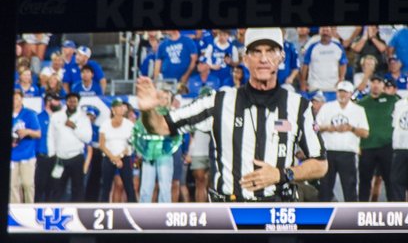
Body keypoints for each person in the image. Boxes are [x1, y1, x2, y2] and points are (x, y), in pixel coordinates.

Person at [135, 28, 326, 202]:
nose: (263, 59)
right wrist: (147, 109)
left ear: (281, 57)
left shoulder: (298, 106)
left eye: (271, 51)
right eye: (256, 51)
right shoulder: (218, 101)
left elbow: (320, 165)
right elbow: (160, 127)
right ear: (245, 58)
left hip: (278, 215)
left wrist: (281, 174)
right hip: (229, 214)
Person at [315, 80, 369, 201]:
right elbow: (315, 127)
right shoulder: (327, 107)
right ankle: (323, 217)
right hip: (328, 152)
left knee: (350, 188)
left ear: (350, 94)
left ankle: (352, 216)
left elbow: (365, 133)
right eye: (340, 92)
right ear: (336, 93)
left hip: (348, 153)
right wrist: (328, 128)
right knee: (325, 188)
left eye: (345, 92)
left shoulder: (358, 110)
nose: (342, 95)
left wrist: (351, 128)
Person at [357, 74, 398, 201]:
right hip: (366, 146)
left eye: (378, 82)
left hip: (386, 146)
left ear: (382, 85)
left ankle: (394, 208)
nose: (375, 85)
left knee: (390, 180)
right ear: (369, 84)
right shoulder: (361, 104)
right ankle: (361, 208)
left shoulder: (393, 100)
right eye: (373, 82)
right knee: (365, 180)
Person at [10, 90, 41, 202]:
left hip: (27, 154)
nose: (15, 101)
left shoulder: (29, 114)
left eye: (17, 98)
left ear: (21, 99)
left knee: (28, 184)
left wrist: (27, 131)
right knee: (12, 185)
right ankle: (16, 211)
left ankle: (29, 208)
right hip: (12, 156)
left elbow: (38, 133)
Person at [390, 91, 408, 203]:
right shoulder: (399, 104)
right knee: (396, 181)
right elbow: (395, 125)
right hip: (400, 148)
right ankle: (400, 211)